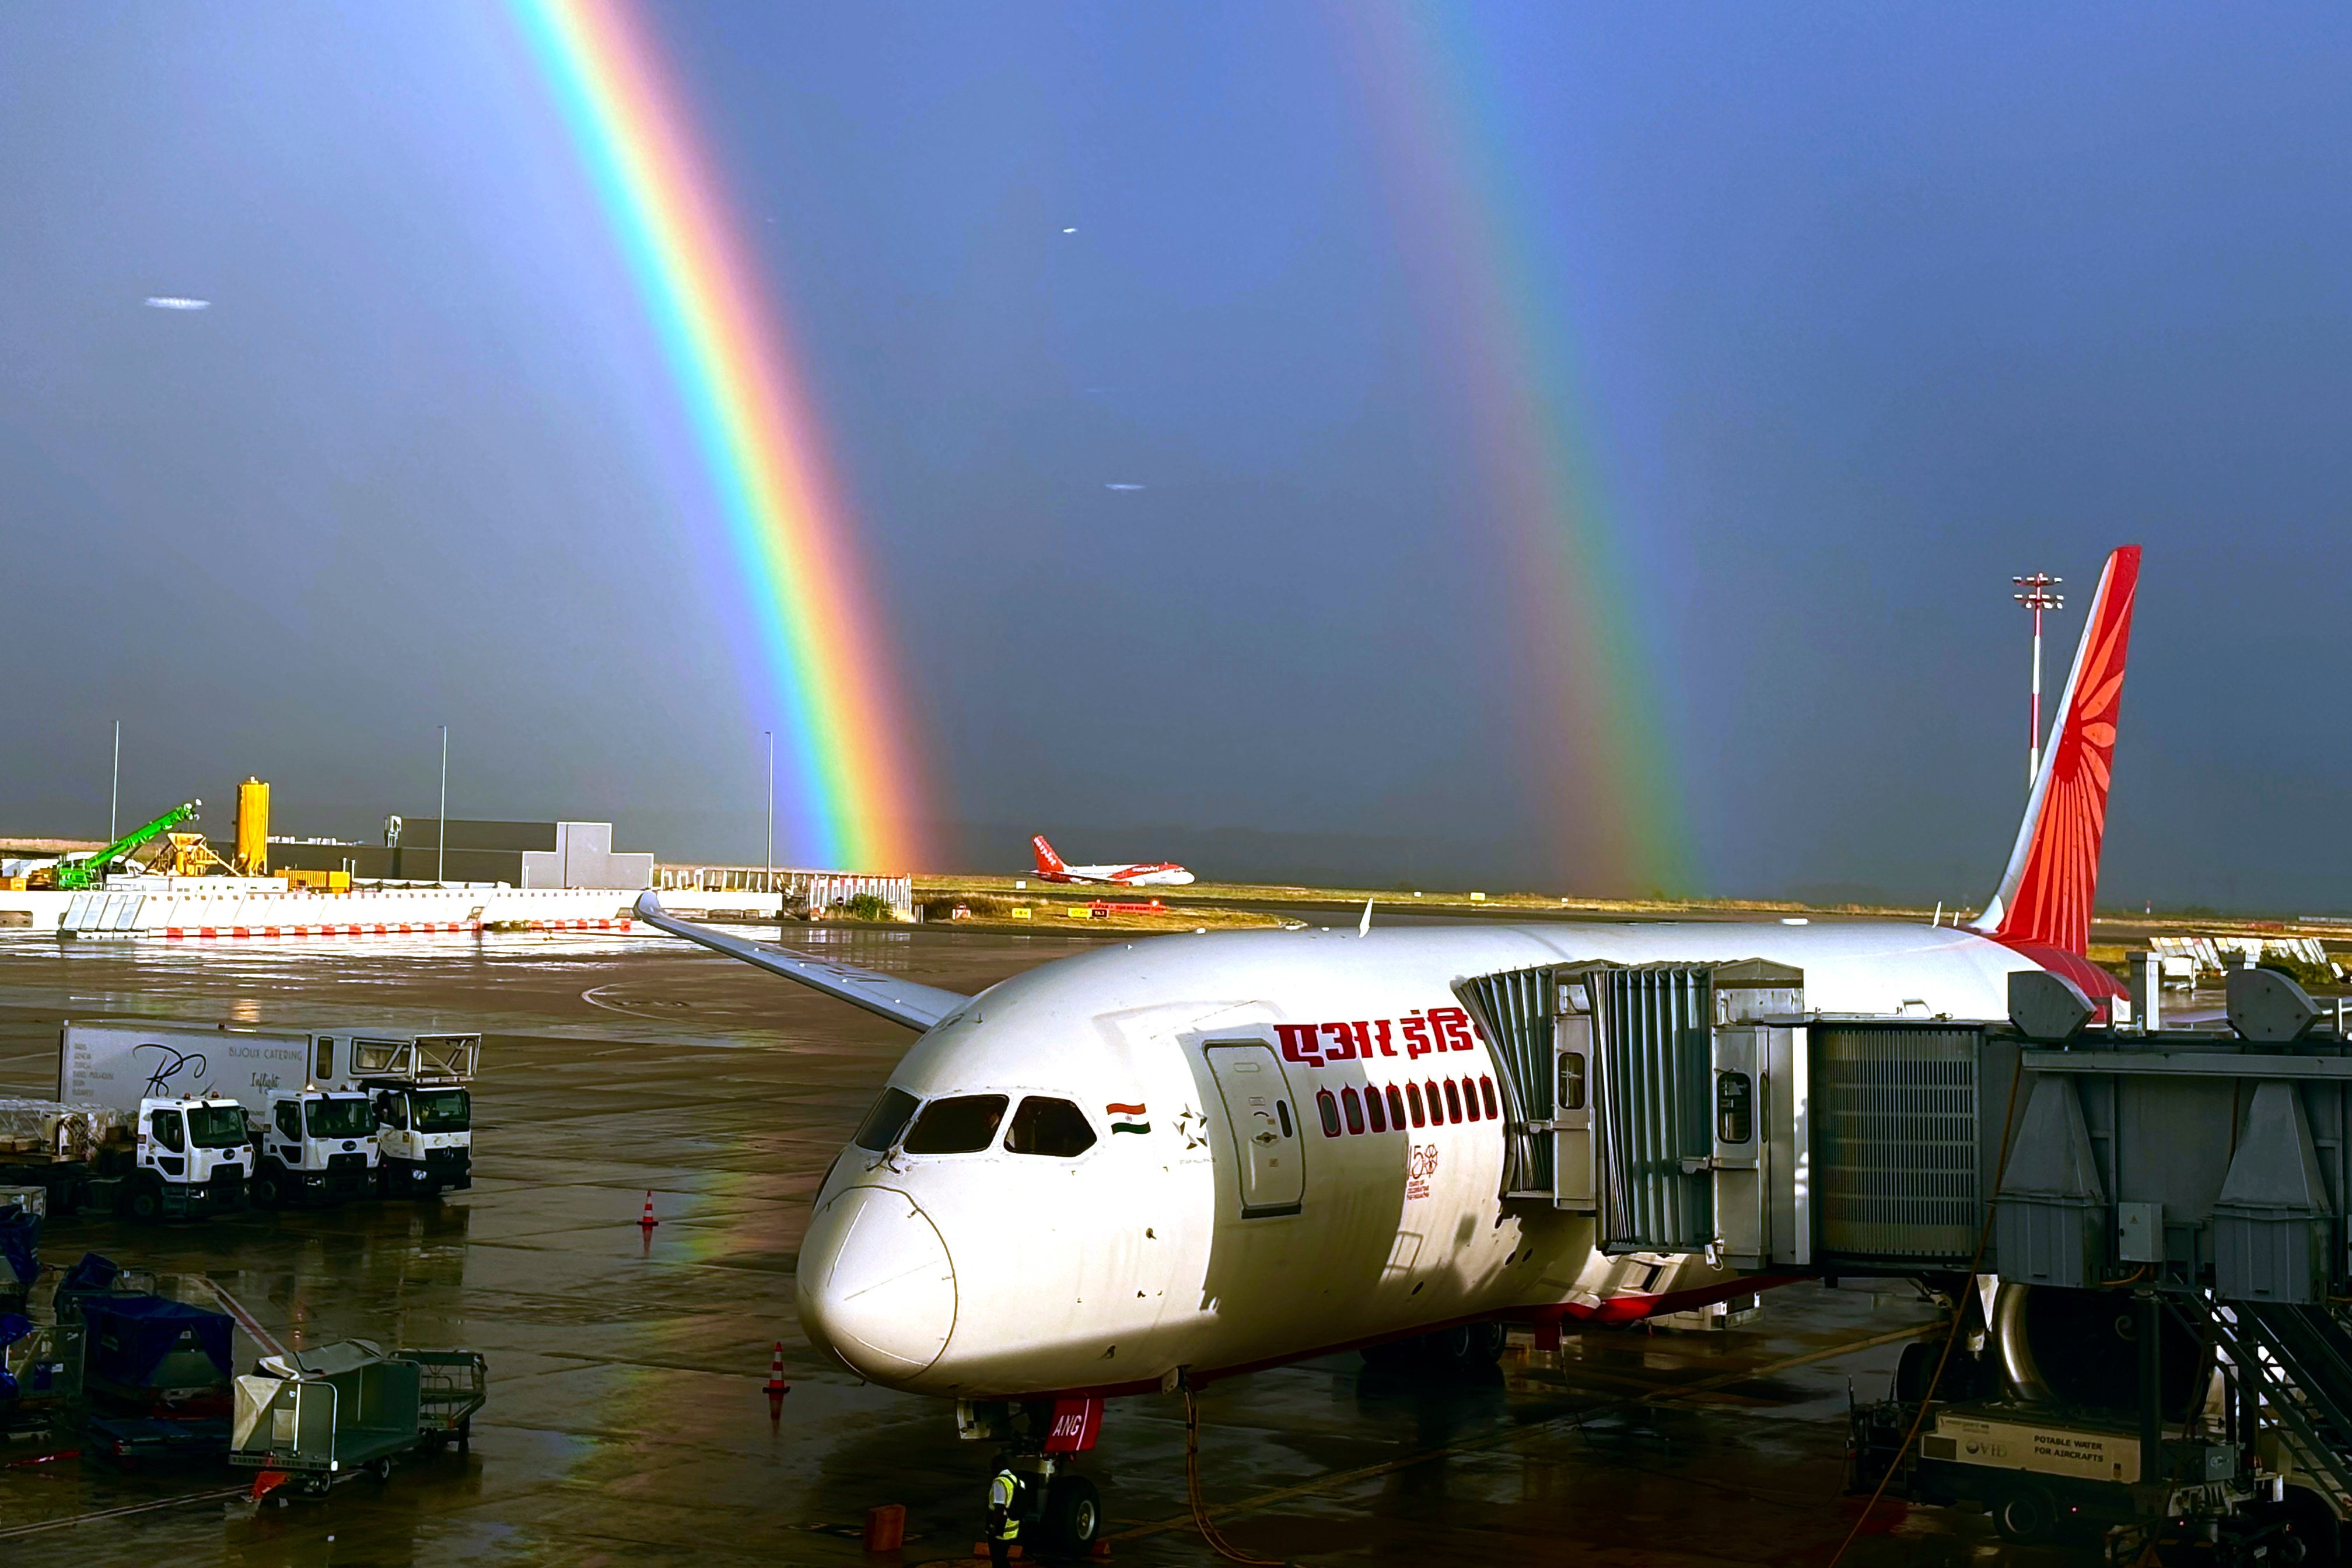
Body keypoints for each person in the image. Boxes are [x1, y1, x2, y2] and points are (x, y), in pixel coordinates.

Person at [986, 1464, 1025, 1566]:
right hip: (1012, 1528)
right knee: (1002, 1558)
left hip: (1001, 1528)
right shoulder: (1018, 1481)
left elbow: (1000, 1506)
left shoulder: (1000, 1482)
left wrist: (993, 1527)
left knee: (998, 1560)